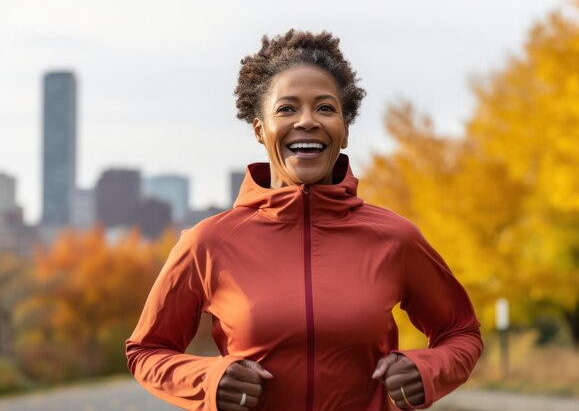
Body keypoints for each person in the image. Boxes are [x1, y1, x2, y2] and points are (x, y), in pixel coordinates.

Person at [126, 29, 483, 411]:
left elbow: (461, 333)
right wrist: (210, 380)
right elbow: (147, 351)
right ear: (260, 130)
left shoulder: (395, 238)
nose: (307, 121)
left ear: (344, 130)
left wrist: (425, 370)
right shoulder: (209, 242)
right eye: (287, 108)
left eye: (326, 108)